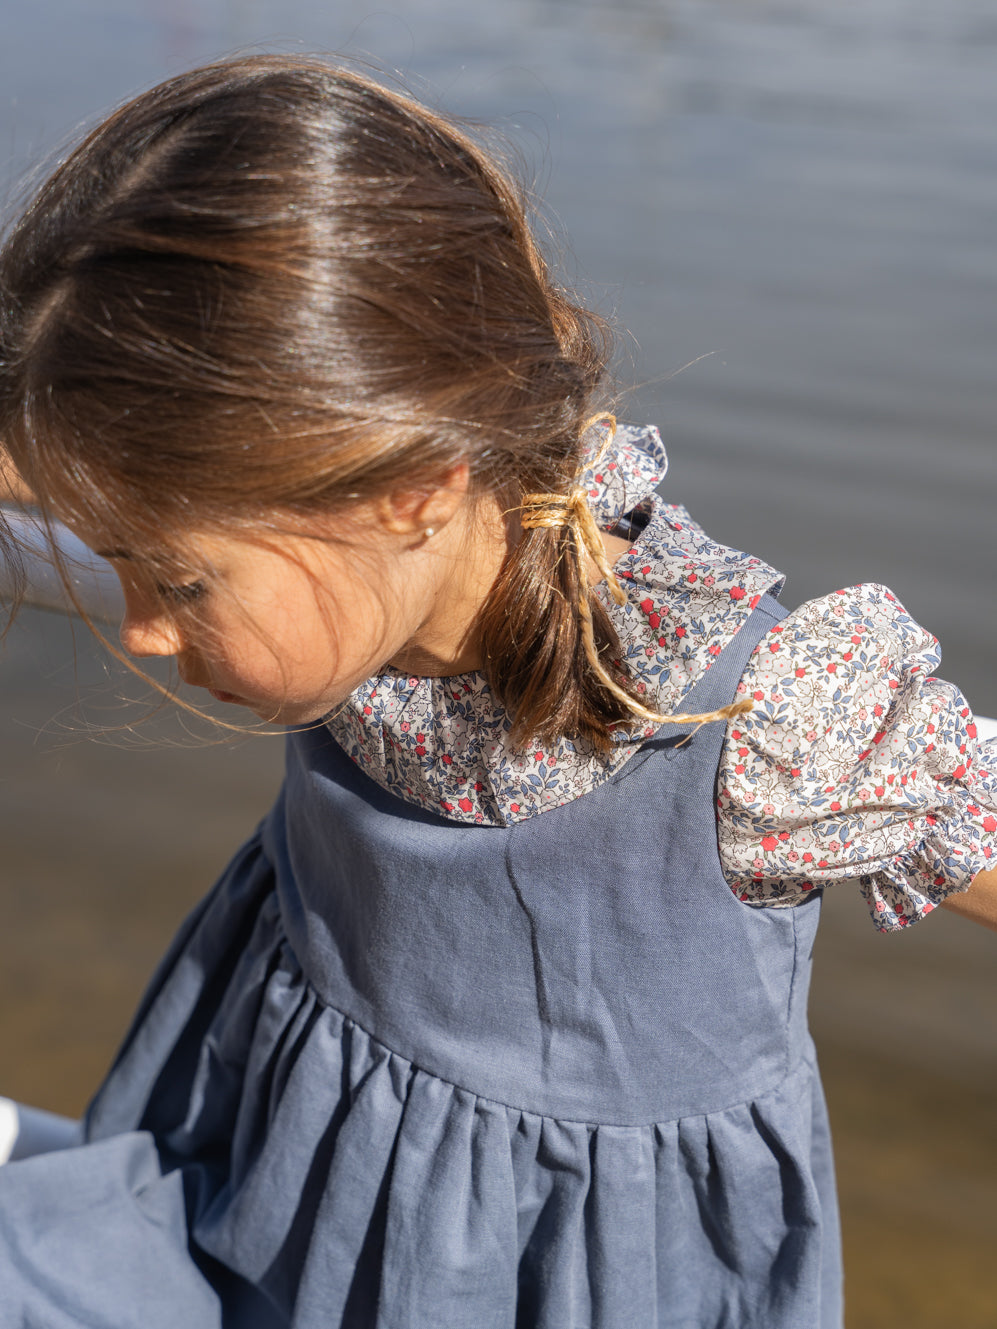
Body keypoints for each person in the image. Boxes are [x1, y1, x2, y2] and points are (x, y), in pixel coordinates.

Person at [0, 54, 994, 1329]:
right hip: (268, 1185)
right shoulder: (364, 586)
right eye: (115, 558)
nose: (138, 627)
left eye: (177, 581)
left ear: (411, 490)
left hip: (568, 1278)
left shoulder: (758, 724)